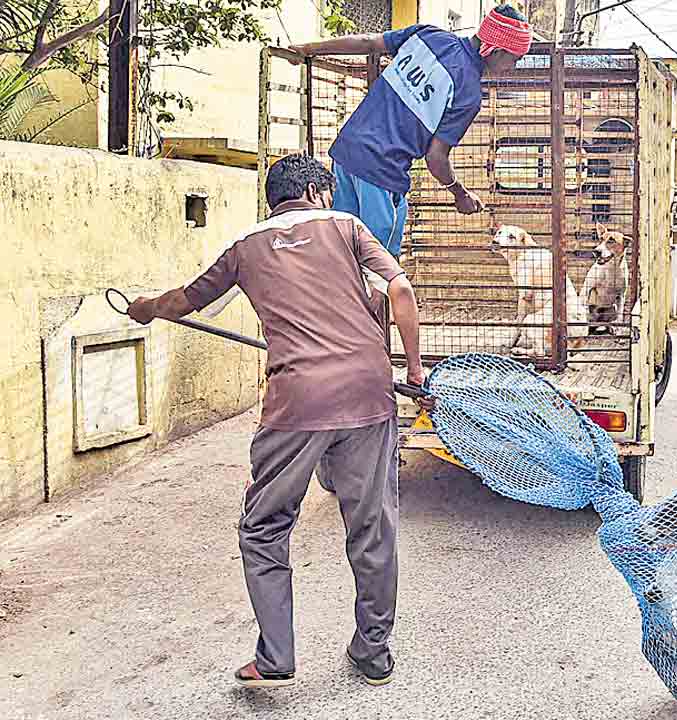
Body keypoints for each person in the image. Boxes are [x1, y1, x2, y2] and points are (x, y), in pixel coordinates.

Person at [126, 155, 433, 686]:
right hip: (368, 393)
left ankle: (275, 657)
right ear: (316, 191)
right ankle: (373, 651)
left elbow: (184, 301)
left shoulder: (244, 249)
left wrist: (144, 308)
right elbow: (399, 292)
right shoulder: (347, 226)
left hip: (296, 404)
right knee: (373, 527)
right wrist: (412, 367)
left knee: (265, 529)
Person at [287, 4, 533, 257]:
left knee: (340, 251)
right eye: (514, 59)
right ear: (497, 50)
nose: (512, 66)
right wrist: (460, 194)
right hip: (381, 169)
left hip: (346, 153)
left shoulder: (428, 35)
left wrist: (309, 49)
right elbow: (435, 159)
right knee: (377, 265)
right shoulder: (468, 93)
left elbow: (368, 42)